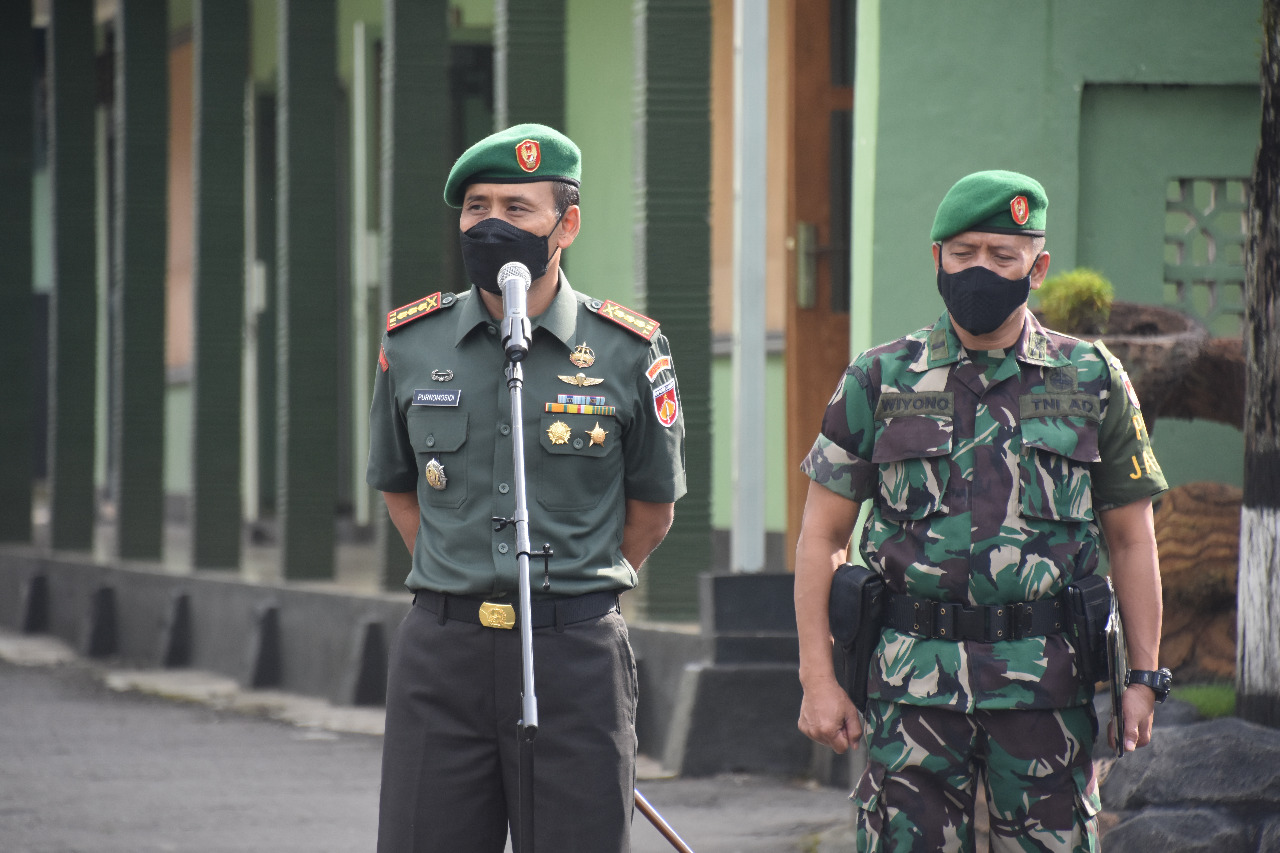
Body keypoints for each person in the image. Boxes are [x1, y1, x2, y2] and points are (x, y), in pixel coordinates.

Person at [793, 169, 1170, 852]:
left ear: (1038, 265)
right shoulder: (880, 378)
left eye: (1003, 255)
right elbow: (822, 536)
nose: (981, 269)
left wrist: (1142, 676)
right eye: (964, 253)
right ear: (936, 257)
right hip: (913, 692)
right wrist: (818, 679)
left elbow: (1132, 538)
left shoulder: (1092, 378)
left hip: (1047, 691)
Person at [368, 123, 687, 853]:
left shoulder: (627, 349)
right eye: (477, 207)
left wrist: (570, 592)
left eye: (518, 209)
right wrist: (463, 571)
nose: (492, 224)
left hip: (573, 653)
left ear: (565, 224)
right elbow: (399, 489)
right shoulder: (411, 343)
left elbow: (653, 509)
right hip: (443, 655)